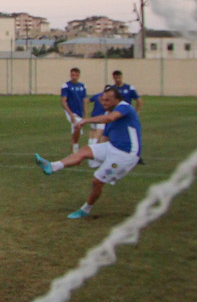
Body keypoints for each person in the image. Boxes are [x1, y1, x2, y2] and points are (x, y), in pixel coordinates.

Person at [34, 84, 140, 219]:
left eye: (107, 100)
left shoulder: (124, 106)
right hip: (113, 147)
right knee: (85, 150)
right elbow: (105, 138)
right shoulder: (109, 113)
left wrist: (85, 121)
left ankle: (86, 209)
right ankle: (53, 166)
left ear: (117, 100)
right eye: (103, 100)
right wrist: (90, 156)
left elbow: (110, 118)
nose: (104, 103)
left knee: (97, 181)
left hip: (125, 156)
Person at [60, 66, 89, 150]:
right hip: (71, 111)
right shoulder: (66, 86)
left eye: (76, 75)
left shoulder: (82, 86)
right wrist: (71, 115)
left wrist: (86, 115)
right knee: (78, 126)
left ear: (79, 75)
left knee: (77, 130)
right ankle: (75, 146)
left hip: (79, 112)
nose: (74, 77)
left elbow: (84, 101)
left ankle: (73, 144)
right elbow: (64, 102)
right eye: (72, 75)